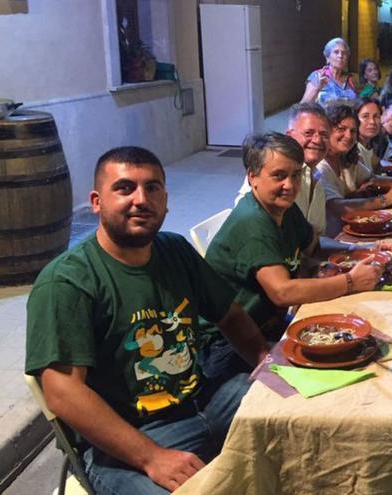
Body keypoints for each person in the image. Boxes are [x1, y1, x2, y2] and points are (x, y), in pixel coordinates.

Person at [25, 146, 270, 494]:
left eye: (152, 188)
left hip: (206, 401)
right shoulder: (68, 282)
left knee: (297, 414)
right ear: (97, 201)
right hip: (130, 439)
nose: (141, 199)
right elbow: (62, 392)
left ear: (165, 199)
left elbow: (229, 314)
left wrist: (265, 360)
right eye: (125, 188)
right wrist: (151, 457)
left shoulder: (175, 250)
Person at [203, 133, 390, 378]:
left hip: (270, 325)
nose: (289, 186)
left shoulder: (285, 208)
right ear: (253, 177)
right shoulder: (253, 222)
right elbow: (283, 292)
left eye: (295, 175)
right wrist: (351, 281)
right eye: (279, 176)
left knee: (364, 339)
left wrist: (356, 253)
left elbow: (313, 247)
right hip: (230, 347)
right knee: (344, 367)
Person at [237, 103, 330, 237]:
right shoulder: (267, 174)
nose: (317, 140)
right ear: (289, 135)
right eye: (308, 133)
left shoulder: (317, 175)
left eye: (324, 135)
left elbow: (316, 237)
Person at [318, 104, 392, 236]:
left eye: (353, 131)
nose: (348, 136)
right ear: (327, 130)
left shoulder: (345, 156)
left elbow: (372, 179)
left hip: (353, 229)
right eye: (341, 129)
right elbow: (338, 207)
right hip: (334, 237)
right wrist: (386, 199)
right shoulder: (320, 166)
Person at [302, 38, 358, 107]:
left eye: (344, 53)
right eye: (336, 52)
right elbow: (303, 106)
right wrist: (317, 89)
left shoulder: (351, 79)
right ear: (327, 58)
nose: (340, 56)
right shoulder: (317, 76)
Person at [355, 98, 384, 173]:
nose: (372, 122)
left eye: (376, 116)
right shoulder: (353, 151)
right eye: (365, 116)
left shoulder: (368, 145)